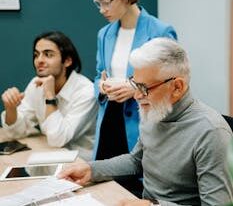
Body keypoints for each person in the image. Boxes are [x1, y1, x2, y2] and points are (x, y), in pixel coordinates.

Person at [59, 38, 233, 206]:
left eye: (144, 88)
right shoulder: (155, 111)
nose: (136, 96)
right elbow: (136, 161)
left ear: (177, 87)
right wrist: (91, 170)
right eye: (135, 84)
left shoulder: (211, 132)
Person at [92, 0, 177, 160]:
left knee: (136, 182)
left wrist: (135, 88)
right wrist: (101, 86)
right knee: (104, 178)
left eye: (106, 2)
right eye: (98, 2)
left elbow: (173, 81)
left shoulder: (160, 31)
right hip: (110, 119)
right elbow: (98, 75)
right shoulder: (104, 34)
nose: (102, 9)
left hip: (142, 121)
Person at [1, 31, 98, 161]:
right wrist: (11, 108)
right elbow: (15, 133)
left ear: (68, 61)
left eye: (48, 54)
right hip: (47, 159)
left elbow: (58, 139)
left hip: (81, 165)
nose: (39, 60)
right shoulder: (35, 84)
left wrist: (50, 96)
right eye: (36, 55)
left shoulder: (86, 92)